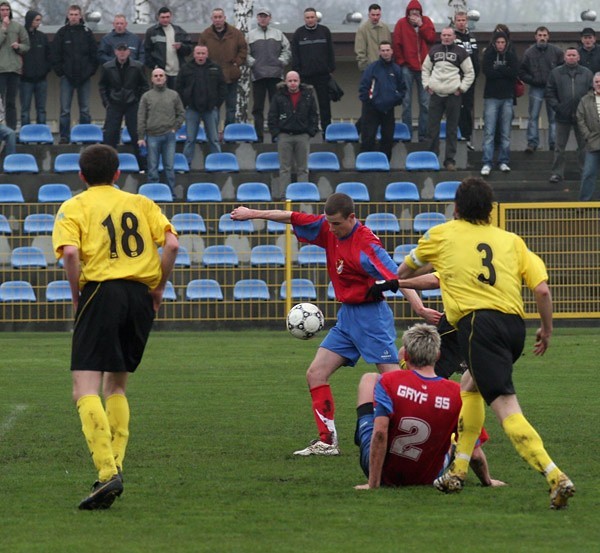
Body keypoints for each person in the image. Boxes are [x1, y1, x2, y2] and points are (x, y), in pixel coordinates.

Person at [372, 176, 575, 509]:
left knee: (506, 406)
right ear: (491, 210)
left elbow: (405, 272)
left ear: (455, 208)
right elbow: (541, 290)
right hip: (514, 328)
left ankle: (556, 477)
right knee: (470, 388)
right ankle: (458, 470)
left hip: (479, 325)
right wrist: (547, 330)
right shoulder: (512, 240)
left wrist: (390, 282)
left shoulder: (442, 234)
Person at [230, 193, 441, 456]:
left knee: (394, 383)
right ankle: (327, 441)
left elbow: (397, 278)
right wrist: (252, 213)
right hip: (347, 318)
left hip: (371, 318)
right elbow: (291, 216)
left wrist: (418, 307)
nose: (330, 228)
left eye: (336, 224)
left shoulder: (367, 246)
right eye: (328, 222)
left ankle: (427, 431)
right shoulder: (328, 227)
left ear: (352, 218)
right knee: (315, 374)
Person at [51, 144, 179, 510]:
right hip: (139, 295)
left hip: (101, 291)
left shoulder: (74, 206)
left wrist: (77, 295)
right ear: (118, 173)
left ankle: (107, 472)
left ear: (81, 175)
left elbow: (72, 254)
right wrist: (158, 287)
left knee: (83, 387)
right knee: (117, 384)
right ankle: (116, 464)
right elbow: (171, 245)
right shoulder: (141, 203)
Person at [354, 324, 504, 489]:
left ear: (406, 356)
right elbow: (474, 454)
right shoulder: (457, 393)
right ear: (438, 355)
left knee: (369, 379)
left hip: (382, 472)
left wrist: (373, 484)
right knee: (456, 441)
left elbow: (381, 434)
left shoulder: (389, 381)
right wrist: (487, 481)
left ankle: (361, 433)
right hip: (428, 476)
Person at [422, 27, 474, 171]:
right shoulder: (433, 50)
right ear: (441, 36)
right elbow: (425, 69)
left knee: (451, 130)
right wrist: (426, 85)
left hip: (453, 95)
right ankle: (431, 160)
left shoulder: (461, 52)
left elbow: (470, 73)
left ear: (454, 37)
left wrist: (461, 88)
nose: (446, 38)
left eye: (449, 35)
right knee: (432, 129)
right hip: (436, 95)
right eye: (444, 35)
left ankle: (449, 161)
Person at [267, 71, 318, 200]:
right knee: (284, 168)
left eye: (295, 80)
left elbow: (314, 114)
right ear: (286, 81)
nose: (293, 83)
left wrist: (310, 132)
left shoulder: (308, 95)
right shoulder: (278, 96)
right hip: (284, 136)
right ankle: (285, 196)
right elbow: (272, 116)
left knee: (303, 168)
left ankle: (302, 194)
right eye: (290, 81)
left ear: (299, 81)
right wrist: (276, 133)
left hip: (303, 136)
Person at [51, 5, 98, 144]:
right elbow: (55, 55)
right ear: (68, 15)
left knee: (85, 110)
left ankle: (85, 137)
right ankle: (64, 136)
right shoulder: (62, 33)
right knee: (65, 110)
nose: (73, 17)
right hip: (67, 77)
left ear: (80, 16)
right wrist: (61, 72)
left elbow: (94, 56)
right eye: (71, 14)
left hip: (84, 78)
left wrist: (90, 72)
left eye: (76, 14)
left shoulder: (87, 33)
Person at [545, 46, 593, 184]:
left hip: (582, 116)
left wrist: (586, 108)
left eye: (574, 55)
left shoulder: (587, 73)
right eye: (569, 55)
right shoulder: (555, 73)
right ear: (565, 57)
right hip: (562, 116)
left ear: (578, 57)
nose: (571, 57)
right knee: (559, 147)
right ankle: (557, 173)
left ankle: (585, 172)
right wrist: (557, 107)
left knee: (584, 146)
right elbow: (549, 92)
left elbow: (592, 91)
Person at [99, 43, 149, 171]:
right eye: (119, 50)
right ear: (115, 52)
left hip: (132, 104)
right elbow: (102, 86)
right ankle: (108, 167)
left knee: (137, 135)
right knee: (110, 135)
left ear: (129, 52)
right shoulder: (107, 67)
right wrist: (107, 102)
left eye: (124, 50)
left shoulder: (137, 66)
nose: (122, 53)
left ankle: (143, 166)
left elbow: (144, 86)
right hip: (114, 104)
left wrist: (137, 100)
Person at [392, 0, 436, 142]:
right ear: (408, 13)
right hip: (407, 68)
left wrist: (421, 26)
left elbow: (431, 38)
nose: (414, 15)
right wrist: (401, 62)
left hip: (424, 68)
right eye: (412, 13)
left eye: (417, 12)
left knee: (425, 103)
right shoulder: (401, 24)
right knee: (406, 103)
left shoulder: (427, 22)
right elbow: (396, 44)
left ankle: (423, 135)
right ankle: (407, 134)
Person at [137, 68, 185, 195]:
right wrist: (141, 137)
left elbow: (181, 113)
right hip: (152, 136)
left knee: (169, 167)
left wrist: (175, 127)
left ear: (165, 78)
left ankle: (170, 194)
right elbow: (141, 117)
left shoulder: (174, 95)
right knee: (152, 168)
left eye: (161, 75)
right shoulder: (146, 97)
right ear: (152, 79)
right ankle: (153, 194)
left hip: (169, 136)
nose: (158, 78)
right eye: (156, 76)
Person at [176, 44, 226, 163]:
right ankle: (186, 164)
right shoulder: (185, 68)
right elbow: (179, 88)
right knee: (190, 139)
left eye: (203, 53)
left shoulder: (215, 68)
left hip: (210, 109)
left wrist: (216, 104)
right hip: (192, 109)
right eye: (198, 53)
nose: (200, 56)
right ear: (194, 54)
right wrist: (185, 104)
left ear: (207, 54)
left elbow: (222, 88)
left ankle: (217, 163)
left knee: (214, 139)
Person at [247, 8, 291, 143]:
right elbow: (245, 53)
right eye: (260, 16)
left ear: (269, 18)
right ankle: (258, 137)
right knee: (257, 108)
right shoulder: (250, 35)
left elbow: (287, 49)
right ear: (257, 18)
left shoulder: (278, 34)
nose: (263, 19)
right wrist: (253, 63)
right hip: (258, 76)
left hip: (276, 76)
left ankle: (275, 135)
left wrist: (281, 62)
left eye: (265, 16)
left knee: (276, 107)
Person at [199, 8, 248, 128]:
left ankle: (228, 133)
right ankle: (213, 133)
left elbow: (243, 50)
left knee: (231, 107)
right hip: (212, 77)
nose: (218, 20)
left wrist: (237, 63)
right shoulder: (205, 34)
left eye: (220, 17)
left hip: (231, 75)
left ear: (224, 18)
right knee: (213, 107)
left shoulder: (235, 33)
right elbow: (199, 51)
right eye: (215, 17)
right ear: (212, 19)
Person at [518, 26, 564, 153]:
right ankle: (532, 143)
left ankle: (554, 143)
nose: (542, 38)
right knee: (533, 116)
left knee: (553, 118)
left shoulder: (557, 51)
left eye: (544, 35)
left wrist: (555, 82)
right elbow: (521, 71)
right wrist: (533, 80)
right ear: (535, 37)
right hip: (536, 87)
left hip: (552, 89)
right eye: (540, 35)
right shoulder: (529, 52)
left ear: (548, 37)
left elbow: (562, 69)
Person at [480, 30, 519, 176]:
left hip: (507, 97)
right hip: (491, 97)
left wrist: (500, 70)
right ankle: (487, 162)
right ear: (494, 43)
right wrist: (505, 71)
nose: (501, 45)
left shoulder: (511, 55)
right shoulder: (488, 55)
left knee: (505, 132)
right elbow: (488, 72)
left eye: (503, 42)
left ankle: (504, 161)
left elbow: (514, 72)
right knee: (489, 132)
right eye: (498, 42)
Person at [291, 7, 336, 134]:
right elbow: (295, 54)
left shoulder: (324, 31)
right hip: (305, 76)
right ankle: (308, 128)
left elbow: (330, 51)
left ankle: (327, 130)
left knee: (325, 104)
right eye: (307, 17)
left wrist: (331, 68)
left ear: (316, 18)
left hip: (322, 75)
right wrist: (297, 71)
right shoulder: (298, 33)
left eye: (312, 17)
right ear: (304, 19)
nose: (310, 20)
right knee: (306, 104)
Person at [358, 41, 405, 160]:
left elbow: (402, 88)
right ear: (379, 52)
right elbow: (364, 87)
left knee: (388, 139)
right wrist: (369, 101)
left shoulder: (396, 69)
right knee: (368, 138)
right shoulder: (372, 68)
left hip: (388, 110)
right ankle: (366, 163)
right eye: (383, 50)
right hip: (371, 109)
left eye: (387, 50)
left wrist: (396, 99)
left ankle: (385, 165)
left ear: (392, 51)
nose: (385, 53)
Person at [144, 6, 193, 90]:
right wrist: (154, 66)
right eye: (163, 17)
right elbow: (146, 51)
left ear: (171, 17)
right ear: (158, 17)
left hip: (177, 72)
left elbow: (189, 50)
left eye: (167, 17)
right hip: (161, 73)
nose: (165, 19)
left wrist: (181, 47)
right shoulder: (152, 32)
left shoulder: (179, 31)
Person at [453, 10, 479, 150]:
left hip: (470, 79)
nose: (461, 22)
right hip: (457, 79)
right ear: (455, 21)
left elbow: (475, 57)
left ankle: (468, 137)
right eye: (459, 20)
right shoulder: (453, 37)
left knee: (468, 108)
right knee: (457, 108)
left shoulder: (472, 37)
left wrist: (475, 74)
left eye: (463, 20)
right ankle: (457, 135)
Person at [0, 1, 29, 129]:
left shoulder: (18, 27)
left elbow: (27, 45)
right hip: (1, 69)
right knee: (0, 101)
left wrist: (19, 46)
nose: (5, 12)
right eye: (2, 10)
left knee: (11, 101)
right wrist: (3, 29)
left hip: (14, 69)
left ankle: (11, 128)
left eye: (7, 10)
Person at [20, 10, 50, 126]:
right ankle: (25, 136)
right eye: (37, 20)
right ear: (30, 20)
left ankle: (41, 135)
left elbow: (48, 55)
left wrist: (45, 70)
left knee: (41, 109)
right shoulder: (21, 36)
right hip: (25, 80)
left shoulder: (42, 37)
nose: (39, 23)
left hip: (41, 79)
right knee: (25, 110)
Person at [576, 71, 600, 200]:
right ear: (593, 84)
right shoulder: (585, 100)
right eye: (596, 82)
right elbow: (580, 118)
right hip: (593, 143)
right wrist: (587, 135)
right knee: (588, 173)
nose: (599, 84)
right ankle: (584, 203)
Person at [354, 4, 391, 72]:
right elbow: (360, 50)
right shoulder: (363, 29)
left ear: (380, 15)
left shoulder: (385, 28)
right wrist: (364, 67)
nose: (375, 17)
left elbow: (389, 47)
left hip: (385, 67)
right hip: (370, 67)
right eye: (373, 15)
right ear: (369, 15)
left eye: (377, 15)